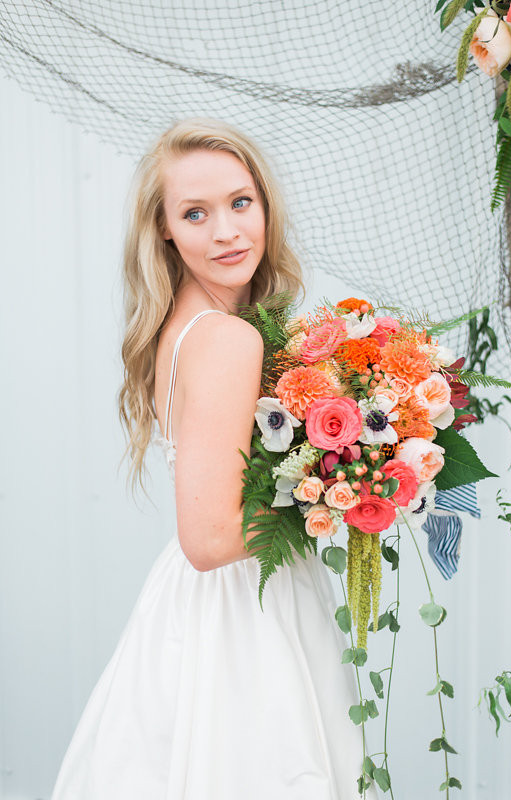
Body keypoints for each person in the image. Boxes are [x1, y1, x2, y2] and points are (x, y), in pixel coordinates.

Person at [50, 118, 378, 799]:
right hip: (241, 614)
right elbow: (207, 540)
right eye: (195, 213)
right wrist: (341, 489)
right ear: (165, 228)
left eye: (240, 203)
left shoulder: (185, 325)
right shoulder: (227, 339)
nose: (226, 232)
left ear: (265, 205)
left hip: (197, 605)